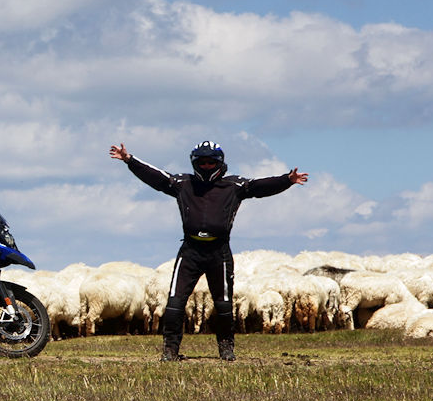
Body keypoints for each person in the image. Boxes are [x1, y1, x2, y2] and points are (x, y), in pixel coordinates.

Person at [109, 140, 308, 361]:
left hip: (219, 252)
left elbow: (260, 186)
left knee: (223, 304)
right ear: (194, 162)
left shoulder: (234, 186)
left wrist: (287, 180)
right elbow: (157, 177)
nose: (206, 166)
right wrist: (129, 160)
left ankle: (226, 348)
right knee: (175, 303)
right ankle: (170, 351)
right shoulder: (183, 183)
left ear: (219, 163)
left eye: (210, 162)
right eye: (201, 162)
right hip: (190, 251)